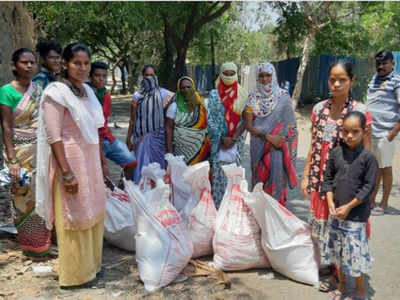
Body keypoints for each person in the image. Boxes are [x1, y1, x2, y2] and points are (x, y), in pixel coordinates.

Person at [36, 43, 107, 287]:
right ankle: (75, 275)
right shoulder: (56, 93)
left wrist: (101, 162)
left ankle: (92, 267)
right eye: (77, 63)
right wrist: (66, 173)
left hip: (90, 164)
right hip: (70, 162)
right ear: (66, 64)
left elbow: (96, 131)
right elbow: (53, 137)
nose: (83, 68)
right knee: (74, 214)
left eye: (86, 63)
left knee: (92, 209)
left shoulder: (86, 91)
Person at [301, 60, 372, 292]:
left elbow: (368, 154)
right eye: (332, 79)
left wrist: (368, 193)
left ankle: (349, 279)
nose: (337, 83)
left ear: (351, 81)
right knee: (325, 229)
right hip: (322, 180)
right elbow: (313, 145)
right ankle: (333, 271)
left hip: (346, 185)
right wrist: (305, 176)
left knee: (345, 231)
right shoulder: (318, 109)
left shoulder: (360, 112)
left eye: (342, 79)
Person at [0, 48, 51, 257]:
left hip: (40, 149)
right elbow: (6, 127)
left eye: (32, 62)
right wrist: (12, 160)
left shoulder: (39, 89)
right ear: (14, 65)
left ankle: (44, 242)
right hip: (19, 151)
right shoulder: (7, 91)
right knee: (22, 196)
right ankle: (30, 244)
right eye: (24, 62)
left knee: (42, 193)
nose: (29, 66)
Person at [322, 111, 377, 300]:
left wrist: (349, 207)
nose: (349, 136)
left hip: (355, 217)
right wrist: (330, 202)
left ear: (364, 131)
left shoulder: (368, 158)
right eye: (345, 132)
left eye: (355, 132)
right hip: (336, 213)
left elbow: (368, 187)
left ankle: (360, 289)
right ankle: (342, 284)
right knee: (338, 252)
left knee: (355, 255)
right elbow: (327, 179)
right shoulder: (336, 152)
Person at [245, 62, 298, 206]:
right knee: (259, 183)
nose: (264, 79)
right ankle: (261, 221)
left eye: (268, 75)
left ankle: (276, 221)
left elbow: (290, 126)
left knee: (276, 181)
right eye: (261, 76)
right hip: (259, 148)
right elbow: (249, 125)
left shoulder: (283, 97)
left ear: (273, 76)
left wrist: (280, 140)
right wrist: (268, 137)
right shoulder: (253, 98)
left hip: (278, 148)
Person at [207, 62, 248, 208]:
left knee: (233, 176)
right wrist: (221, 138)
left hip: (236, 143)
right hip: (218, 143)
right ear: (220, 74)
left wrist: (234, 138)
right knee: (218, 175)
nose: (229, 76)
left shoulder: (243, 94)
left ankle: (233, 210)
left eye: (232, 73)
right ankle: (219, 210)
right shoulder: (213, 94)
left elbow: (246, 119)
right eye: (226, 73)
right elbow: (210, 118)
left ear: (236, 74)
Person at [90, 61, 137, 180]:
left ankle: (123, 192)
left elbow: (104, 120)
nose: (101, 79)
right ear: (90, 77)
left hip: (106, 138)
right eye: (97, 76)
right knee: (96, 175)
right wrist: (103, 162)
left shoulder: (106, 95)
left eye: (104, 76)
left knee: (131, 162)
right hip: (91, 141)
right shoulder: (86, 94)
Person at [126, 65, 174, 183]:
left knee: (158, 171)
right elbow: (133, 119)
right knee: (141, 170)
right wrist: (128, 139)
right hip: (141, 139)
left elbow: (169, 120)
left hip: (158, 140)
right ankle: (142, 196)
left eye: (151, 75)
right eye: (146, 75)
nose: (149, 78)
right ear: (142, 77)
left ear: (156, 76)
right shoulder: (137, 96)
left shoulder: (165, 95)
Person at [366, 50, 400, 216]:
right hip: (370, 132)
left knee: (385, 168)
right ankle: (371, 200)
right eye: (378, 63)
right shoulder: (374, 79)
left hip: (385, 133)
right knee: (375, 168)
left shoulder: (397, 81)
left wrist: (392, 134)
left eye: (384, 63)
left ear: (392, 63)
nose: (381, 66)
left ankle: (384, 203)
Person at [165, 76, 210, 165]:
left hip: (200, 149)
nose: (186, 90)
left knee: (198, 175)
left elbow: (209, 125)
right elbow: (168, 129)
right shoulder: (174, 107)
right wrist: (169, 151)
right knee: (182, 175)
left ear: (193, 88)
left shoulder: (203, 105)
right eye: (183, 88)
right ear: (179, 90)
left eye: (188, 87)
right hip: (180, 151)